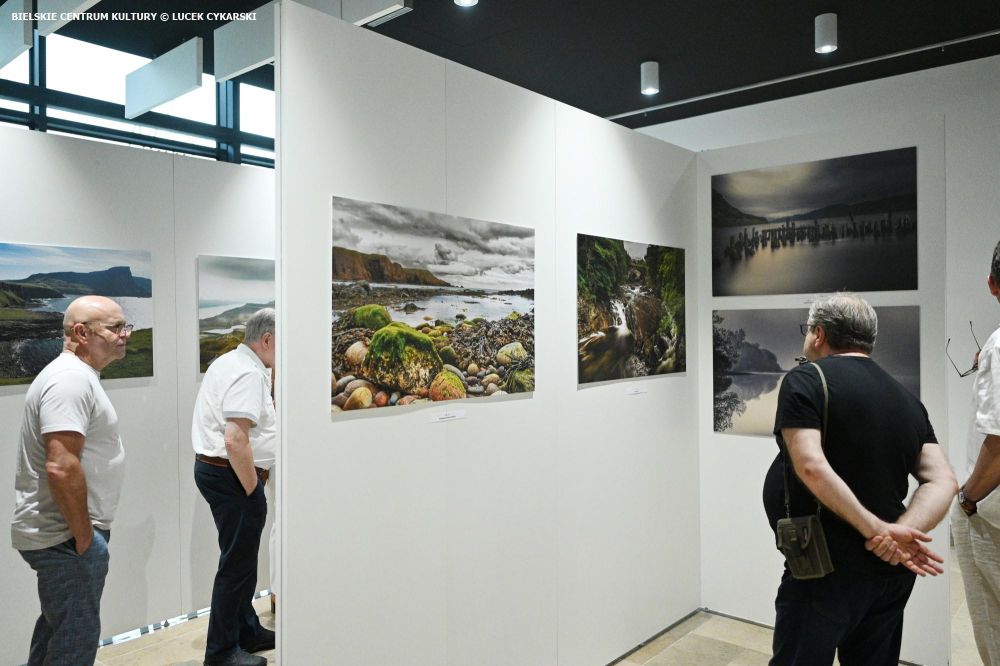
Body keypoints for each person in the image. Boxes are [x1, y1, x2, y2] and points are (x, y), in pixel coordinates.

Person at [763, 292, 957, 666]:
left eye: (808, 330)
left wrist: (877, 531)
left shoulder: (806, 378)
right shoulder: (906, 398)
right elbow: (943, 480)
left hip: (824, 569)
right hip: (890, 569)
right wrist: (899, 535)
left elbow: (810, 465)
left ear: (819, 334)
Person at [11, 295, 132, 665]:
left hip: (66, 534)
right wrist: (84, 538)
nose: (125, 334)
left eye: (125, 326)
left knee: (57, 630)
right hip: (65, 536)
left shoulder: (77, 377)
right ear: (81, 333)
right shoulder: (70, 381)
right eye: (115, 327)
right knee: (74, 643)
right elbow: (61, 466)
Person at [192, 308, 277, 666]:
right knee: (235, 565)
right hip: (233, 476)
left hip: (220, 473)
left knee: (240, 560)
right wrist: (253, 490)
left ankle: (246, 630)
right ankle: (222, 652)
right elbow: (234, 439)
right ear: (267, 340)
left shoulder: (230, 362)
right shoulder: (248, 373)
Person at [952, 240, 1000, 665]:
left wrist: (968, 498)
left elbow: (999, 444)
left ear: (992, 284)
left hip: (991, 513)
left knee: (992, 624)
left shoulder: (999, 346)